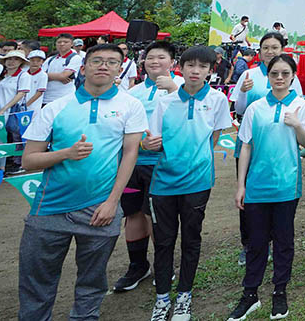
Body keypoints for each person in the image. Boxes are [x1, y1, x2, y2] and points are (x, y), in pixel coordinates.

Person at [18, 43, 145, 321]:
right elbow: (29, 160)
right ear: (83, 67)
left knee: (92, 282)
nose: (104, 65)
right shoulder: (56, 107)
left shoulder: (131, 105)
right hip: (50, 208)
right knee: (36, 282)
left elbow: (130, 154)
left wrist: (113, 202)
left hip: (100, 209)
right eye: (97, 60)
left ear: (119, 70)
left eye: (112, 62)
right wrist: (65, 153)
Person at [144, 45, 232, 321]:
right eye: (190, 65)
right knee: (163, 241)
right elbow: (152, 140)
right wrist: (149, 144)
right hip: (163, 182)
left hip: (198, 182)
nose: (195, 71)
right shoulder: (165, 101)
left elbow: (214, 137)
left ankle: (184, 296)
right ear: (179, 68)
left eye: (202, 67)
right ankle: (162, 299)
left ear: (210, 71)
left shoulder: (218, 100)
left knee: (191, 239)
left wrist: (197, 159)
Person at [228, 54, 305, 321]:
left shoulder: (302, 106)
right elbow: (245, 146)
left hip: (287, 185)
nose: (279, 78)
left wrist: (297, 124)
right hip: (256, 186)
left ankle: (280, 292)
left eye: (285, 74)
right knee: (256, 242)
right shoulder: (255, 108)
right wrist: (240, 185)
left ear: (293, 77)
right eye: (275, 73)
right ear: (268, 76)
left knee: (284, 241)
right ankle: (250, 294)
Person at [112, 41, 181, 293]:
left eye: (161, 57)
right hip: (131, 164)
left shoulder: (183, 88)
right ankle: (137, 265)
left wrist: (174, 89)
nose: (154, 62)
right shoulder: (133, 93)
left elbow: (191, 122)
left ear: (172, 62)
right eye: (150, 57)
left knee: (156, 216)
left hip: (162, 165)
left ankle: (164, 266)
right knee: (132, 214)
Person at [230, 32, 302, 266]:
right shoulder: (249, 74)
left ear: (282, 49)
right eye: (265, 48)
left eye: (275, 47)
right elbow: (239, 108)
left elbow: (297, 106)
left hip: (279, 144)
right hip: (251, 141)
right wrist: (243, 91)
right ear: (259, 51)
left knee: (279, 197)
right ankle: (249, 243)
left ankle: (272, 243)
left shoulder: (288, 74)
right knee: (249, 195)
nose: (270, 52)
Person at [43, 33, 84, 105]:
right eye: (59, 42)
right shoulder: (50, 59)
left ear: (71, 44)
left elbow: (63, 76)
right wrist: (59, 77)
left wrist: (48, 76)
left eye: (65, 42)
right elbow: (40, 75)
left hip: (65, 98)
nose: (62, 44)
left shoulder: (75, 58)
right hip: (46, 98)